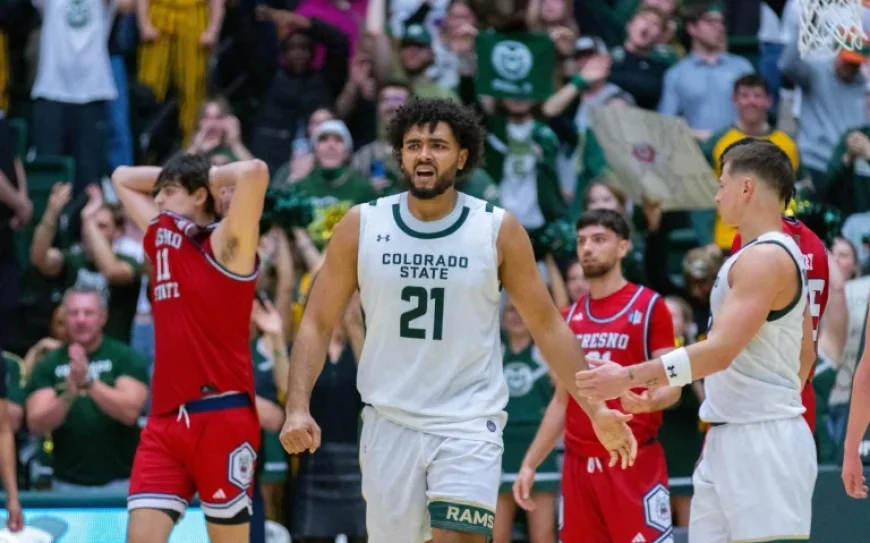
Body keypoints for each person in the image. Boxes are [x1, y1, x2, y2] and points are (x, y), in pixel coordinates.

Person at [279, 98, 637, 543]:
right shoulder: (363, 224)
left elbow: (548, 326)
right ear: (400, 155)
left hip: (469, 421)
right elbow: (315, 321)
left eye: (437, 145)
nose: (424, 155)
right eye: (413, 145)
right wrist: (297, 407)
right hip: (389, 422)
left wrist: (597, 408)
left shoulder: (496, 229)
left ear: (462, 156)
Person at [576, 138, 818, 543]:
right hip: (729, 432)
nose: (716, 194)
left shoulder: (767, 258)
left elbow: (720, 352)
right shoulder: (753, 255)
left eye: (722, 183)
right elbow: (804, 353)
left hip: (761, 439)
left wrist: (630, 377)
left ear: (747, 189)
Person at [111, 155, 270, 543]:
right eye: (159, 192)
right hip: (165, 421)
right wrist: (181, 177)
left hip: (221, 416)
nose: (159, 199)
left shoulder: (231, 244)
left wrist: (209, 176)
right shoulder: (163, 235)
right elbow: (122, 177)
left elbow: (255, 172)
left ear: (201, 196)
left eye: (169, 192)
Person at [513, 209, 678, 543]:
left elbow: (672, 385)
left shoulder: (649, 306)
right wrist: (530, 462)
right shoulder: (567, 319)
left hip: (632, 460)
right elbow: (562, 400)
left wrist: (649, 403)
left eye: (599, 240)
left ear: (623, 247)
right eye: (582, 241)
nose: (587, 248)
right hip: (578, 469)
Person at [733, 215, 830, 438]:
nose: (718, 197)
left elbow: (736, 331)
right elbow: (810, 342)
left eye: (724, 185)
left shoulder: (753, 240)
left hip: (759, 393)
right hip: (800, 389)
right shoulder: (817, 245)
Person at [494, 300, 559, 543]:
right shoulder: (493, 351)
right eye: (511, 310)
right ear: (501, 316)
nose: (517, 315)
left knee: (542, 536)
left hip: (539, 448)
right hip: (500, 449)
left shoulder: (545, 351)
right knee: (496, 536)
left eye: (523, 309)